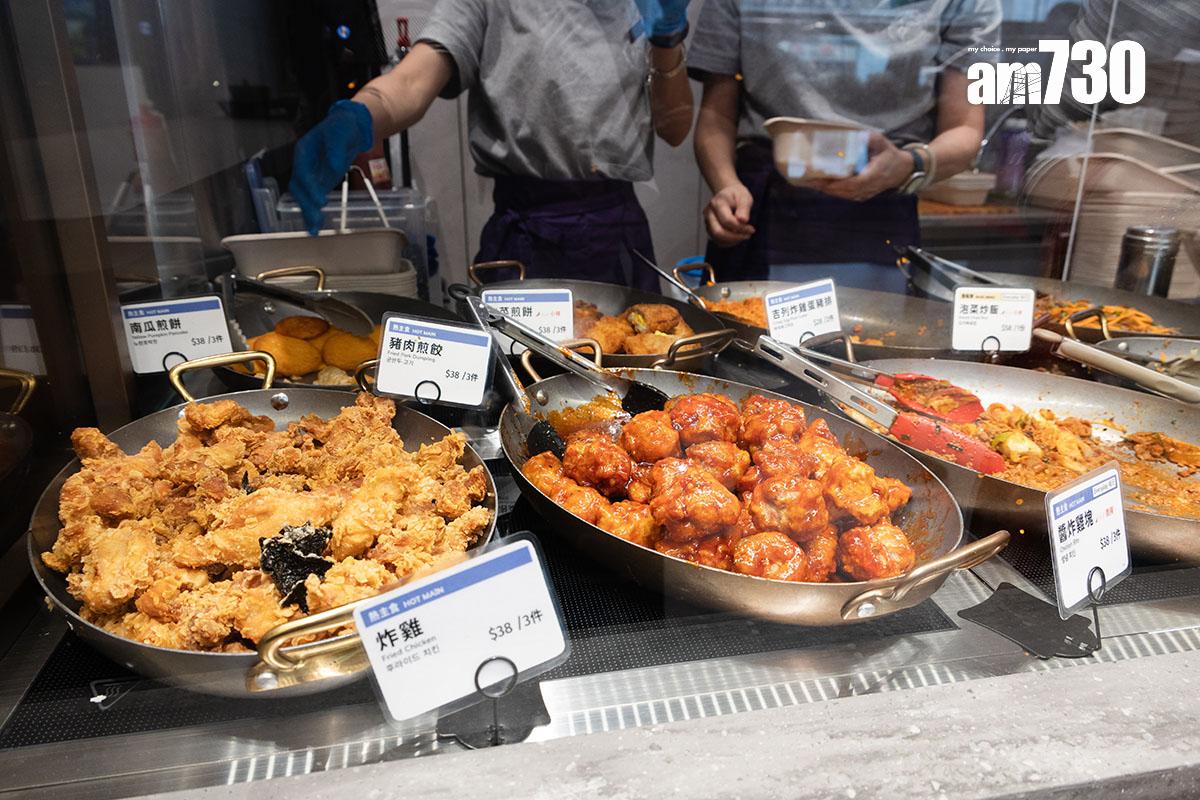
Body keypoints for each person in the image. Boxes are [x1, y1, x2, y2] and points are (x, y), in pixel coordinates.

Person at [289, 0, 693, 289]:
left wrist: (667, 39)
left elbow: (675, 129)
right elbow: (411, 81)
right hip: (525, 234)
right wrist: (360, 115)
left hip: (617, 234)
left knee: (633, 390)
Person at [688, 0, 1000, 291]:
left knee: (876, 339)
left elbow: (965, 128)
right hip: (760, 204)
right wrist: (726, 185)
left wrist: (910, 164)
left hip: (882, 201)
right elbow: (716, 116)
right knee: (744, 339)